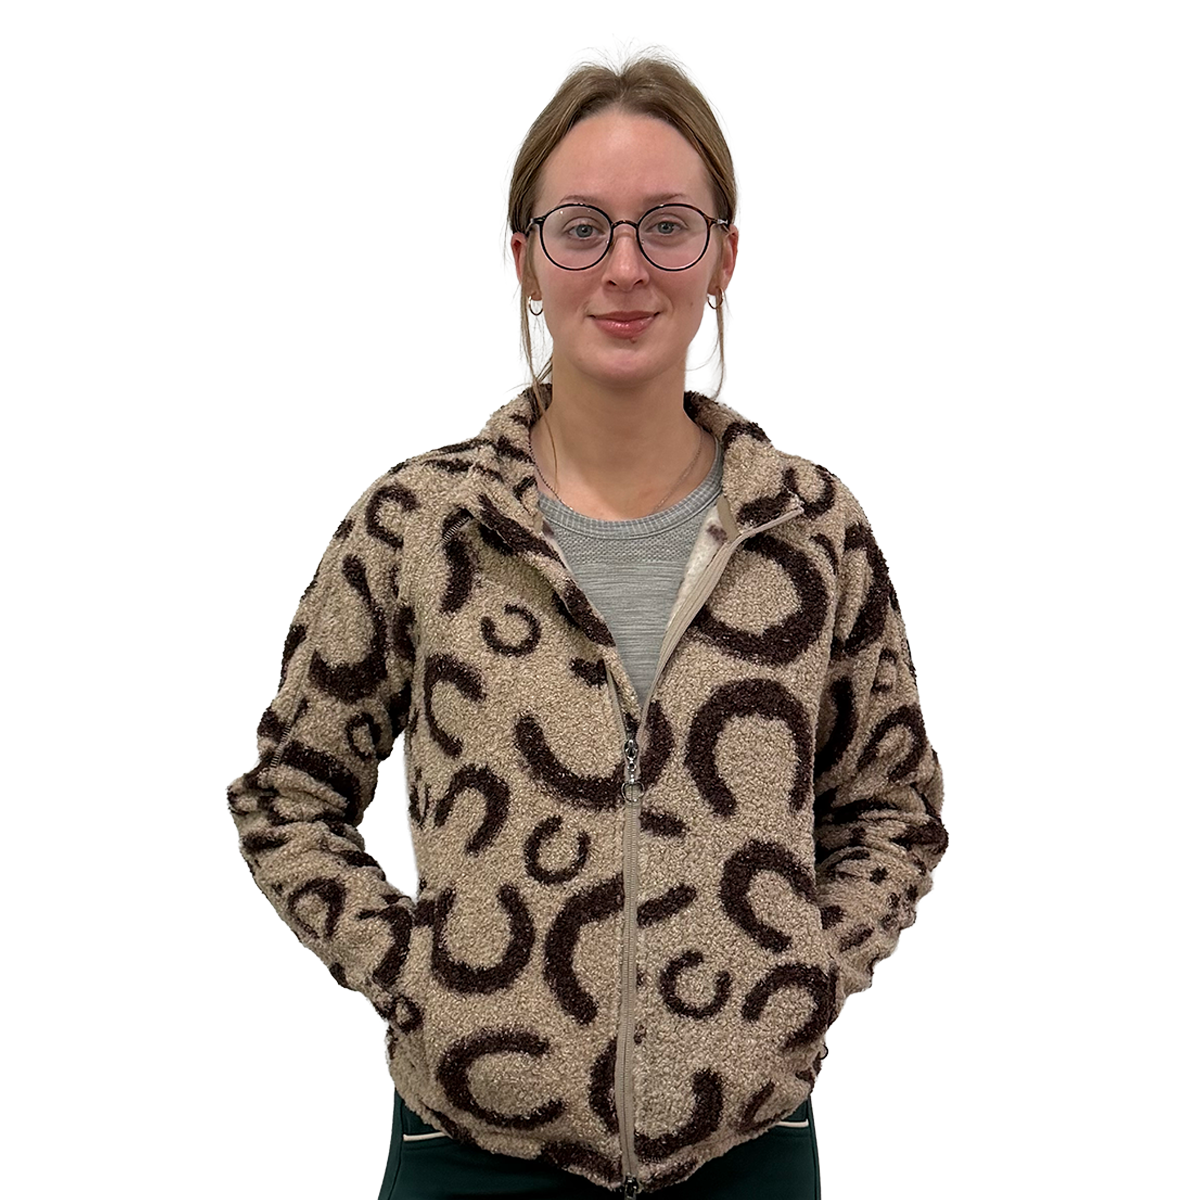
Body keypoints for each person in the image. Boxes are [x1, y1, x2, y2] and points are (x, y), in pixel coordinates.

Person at [227, 51, 947, 1199]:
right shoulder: (424, 525)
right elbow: (288, 797)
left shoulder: (811, 529)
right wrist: (426, 984)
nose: (624, 268)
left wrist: (800, 982)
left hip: (747, 1155)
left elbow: (893, 808)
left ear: (723, 256)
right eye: (581, 229)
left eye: (667, 226)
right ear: (525, 259)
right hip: (471, 1157)